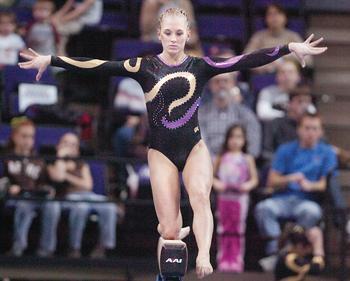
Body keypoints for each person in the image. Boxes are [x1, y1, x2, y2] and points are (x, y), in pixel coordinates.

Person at [18, 7, 326, 278]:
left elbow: (244, 60)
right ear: (159, 34)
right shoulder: (144, 66)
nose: (174, 38)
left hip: (194, 148)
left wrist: (289, 47)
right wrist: (51, 58)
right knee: (168, 231)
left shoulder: (200, 66)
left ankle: (204, 254)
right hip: (161, 152)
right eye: (168, 33)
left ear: (188, 33)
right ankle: (169, 265)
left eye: (180, 32)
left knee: (200, 198)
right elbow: (99, 64)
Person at [255, 113, 336, 272]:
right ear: (299, 130)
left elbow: (324, 184)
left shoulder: (327, 152)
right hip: (282, 198)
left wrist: (309, 186)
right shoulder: (285, 149)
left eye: (314, 129)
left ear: (320, 132)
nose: (310, 132)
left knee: (311, 211)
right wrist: (291, 178)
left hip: (307, 200)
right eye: (307, 128)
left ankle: (290, 248)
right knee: (263, 208)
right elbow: (272, 181)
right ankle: (276, 250)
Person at [48, 132, 117, 258]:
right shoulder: (53, 162)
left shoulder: (81, 164)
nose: (69, 147)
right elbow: (58, 176)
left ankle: (103, 246)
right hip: (68, 197)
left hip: (88, 195)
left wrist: (68, 176)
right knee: (81, 207)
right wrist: (61, 158)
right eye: (66, 143)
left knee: (109, 206)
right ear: (58, 146)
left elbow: (87, 185)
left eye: (73, 145)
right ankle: (74, 248)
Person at [3, 117, 60, 257]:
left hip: (35, 196)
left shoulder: (37, 159)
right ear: (15, 136)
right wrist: (9, 186)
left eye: (31, 136)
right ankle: (18, 247)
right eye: (24, 136)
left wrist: (48, 189)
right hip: (14, 197)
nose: (28, 140)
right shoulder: (5, 156)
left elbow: (43, 182)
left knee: (53, 205)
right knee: (24, 205)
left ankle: (46, 249)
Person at [213, 125, 258, 272]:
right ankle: (223, 259)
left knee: (238, 229)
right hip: (224, 198)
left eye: (239, 137)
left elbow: (254, 180)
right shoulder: (221, 157)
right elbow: (211, 177)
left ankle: (237, 260)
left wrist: (247, 186)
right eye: (232, 137)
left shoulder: (247, 159)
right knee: (223, 228)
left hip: (240, 199)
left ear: (244, 140)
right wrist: (217, 183)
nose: (235, 141)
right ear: (227, 139)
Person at [199, 72, 262, 158]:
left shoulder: (246, 114)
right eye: (217, 81)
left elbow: (253, 147)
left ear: (233, 84)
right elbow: (201, 144)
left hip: (239, 163)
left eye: (226, 81)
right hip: (209, 164)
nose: (221, 85)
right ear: (210, 85)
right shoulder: (201, 114)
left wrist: (238, 161)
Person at [244, 3, 309, 74]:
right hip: (265, 77)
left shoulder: (293, 36)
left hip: (289, 77)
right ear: (265, 18)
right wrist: (267, 66)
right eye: (270, 14)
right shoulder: (258, 37)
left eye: (278, 13)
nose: (274, 17)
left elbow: (308, 60)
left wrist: (282, 59)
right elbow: (246, 59)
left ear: (285, 17)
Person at [262, 85, 315, 161]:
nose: (304, 106)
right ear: (289, 103)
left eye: (307, 102)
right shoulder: (275, 124)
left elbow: (321, 147)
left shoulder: (312, 126)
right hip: (281, 167)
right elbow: (266, 152)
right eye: (300, 101)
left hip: (307, 166)